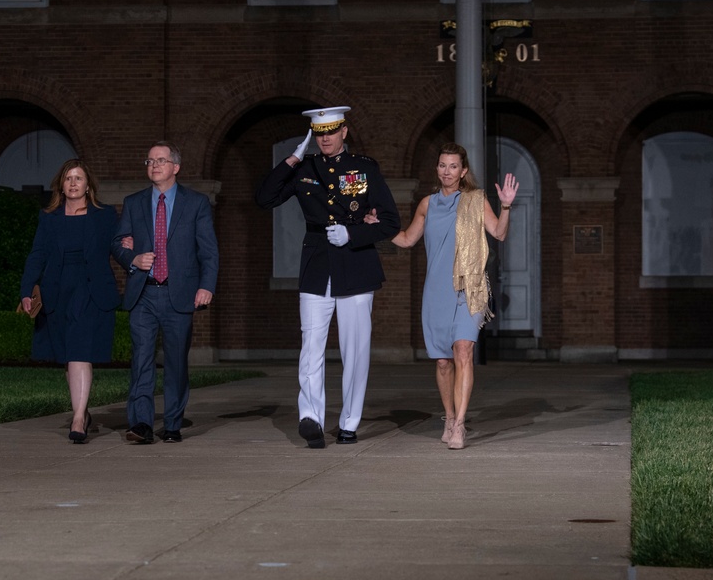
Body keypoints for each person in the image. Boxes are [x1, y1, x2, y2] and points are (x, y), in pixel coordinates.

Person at [255, 107, 400, 448]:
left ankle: (349, 422)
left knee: (355, 350)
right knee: (311, 347)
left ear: (344, 132)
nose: (325, 137)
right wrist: (292, 157)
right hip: (317, 265)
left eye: (331, 131)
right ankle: (311, 418)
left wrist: (353, 235)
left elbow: (391, 222)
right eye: (319, 132)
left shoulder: (365, 168)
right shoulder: (305, 168)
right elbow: (264, 198)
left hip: (356, 264)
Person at [366, 142, 518, 449]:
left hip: (469, 288)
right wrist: (379, 227)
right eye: (442, 165)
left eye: (453, 166)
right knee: (443, 363)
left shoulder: (475, 200)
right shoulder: (427, 204)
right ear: (437, 169)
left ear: (463, 172)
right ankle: (448, 416)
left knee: (463, 351)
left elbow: (499, 234)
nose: (446, 171)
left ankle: (460, 425)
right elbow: (408, 239)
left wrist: (505, 206)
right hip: (436, 291)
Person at [111, 141, 220, 444]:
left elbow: (208, 251)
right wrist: (131, 258)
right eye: (149, 161)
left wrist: (206, 286)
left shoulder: (195, 203)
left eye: (160, 160)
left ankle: (172, 423)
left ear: (175, 167)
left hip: (179, 293)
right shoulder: (133, 202)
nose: (154, 165)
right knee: (142, 359)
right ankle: (142, 424)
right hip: (143, 293)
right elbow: (117, 243)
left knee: (176, 363)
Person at [20, 159, 122, 445]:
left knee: (79, 350)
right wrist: (27, 289)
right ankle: (83, 411)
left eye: (78, 178)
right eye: (68, 179)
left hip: (91, 290)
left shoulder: (104, 216)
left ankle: (77, 419)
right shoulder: (49, 217)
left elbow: (118, 243)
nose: (74, 183)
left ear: (88, 185)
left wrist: (130, 246)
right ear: (61, 186)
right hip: (58, 290)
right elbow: (37, 254)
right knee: (69, 356)